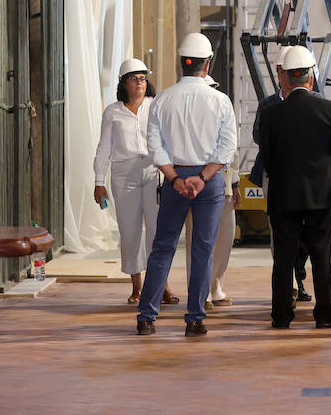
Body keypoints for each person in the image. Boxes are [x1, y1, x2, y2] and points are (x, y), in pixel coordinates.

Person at [135, 33, 238, 337]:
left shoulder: (163, 100)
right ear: (208, 64)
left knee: (163, 248)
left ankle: (146, 317)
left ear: (182, 63)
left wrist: (177, 179)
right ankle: (194, 319)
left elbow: (155, 147)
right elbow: (227, 147)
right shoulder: (220, 101)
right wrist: (202, 178)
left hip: (174, 179)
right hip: (208, 181)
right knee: (202, 249)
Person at [259, 45, 331, 329]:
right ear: (310, 78)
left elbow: (268, 160)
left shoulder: (271, 115)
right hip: (321, 195)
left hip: (284, 196)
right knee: (321, 255)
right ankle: (325, 315)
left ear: (285, 79)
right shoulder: (328, 108)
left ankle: (281, 316)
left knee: (283, 258)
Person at [92, 58, 179, 306]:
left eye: (143, 78)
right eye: (134, 79)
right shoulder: (112, 112)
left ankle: (161, 286)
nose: (140, 83)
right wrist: (99, 181)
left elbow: (168, 140)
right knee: (130, 231)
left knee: (157, 231)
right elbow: (103, 149)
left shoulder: (156, 106)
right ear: (124, 83)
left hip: (153, 172)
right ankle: (137, 287)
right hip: (123, 174)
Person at [186, 73, 240, 309]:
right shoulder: (190, 123)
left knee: (224, 240)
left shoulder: (224, 113)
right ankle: (200, 291)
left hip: (225, 186)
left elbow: (233, 153)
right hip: (198, 188)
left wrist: (236, 184)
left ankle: (215, 285)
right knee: (197, 241)